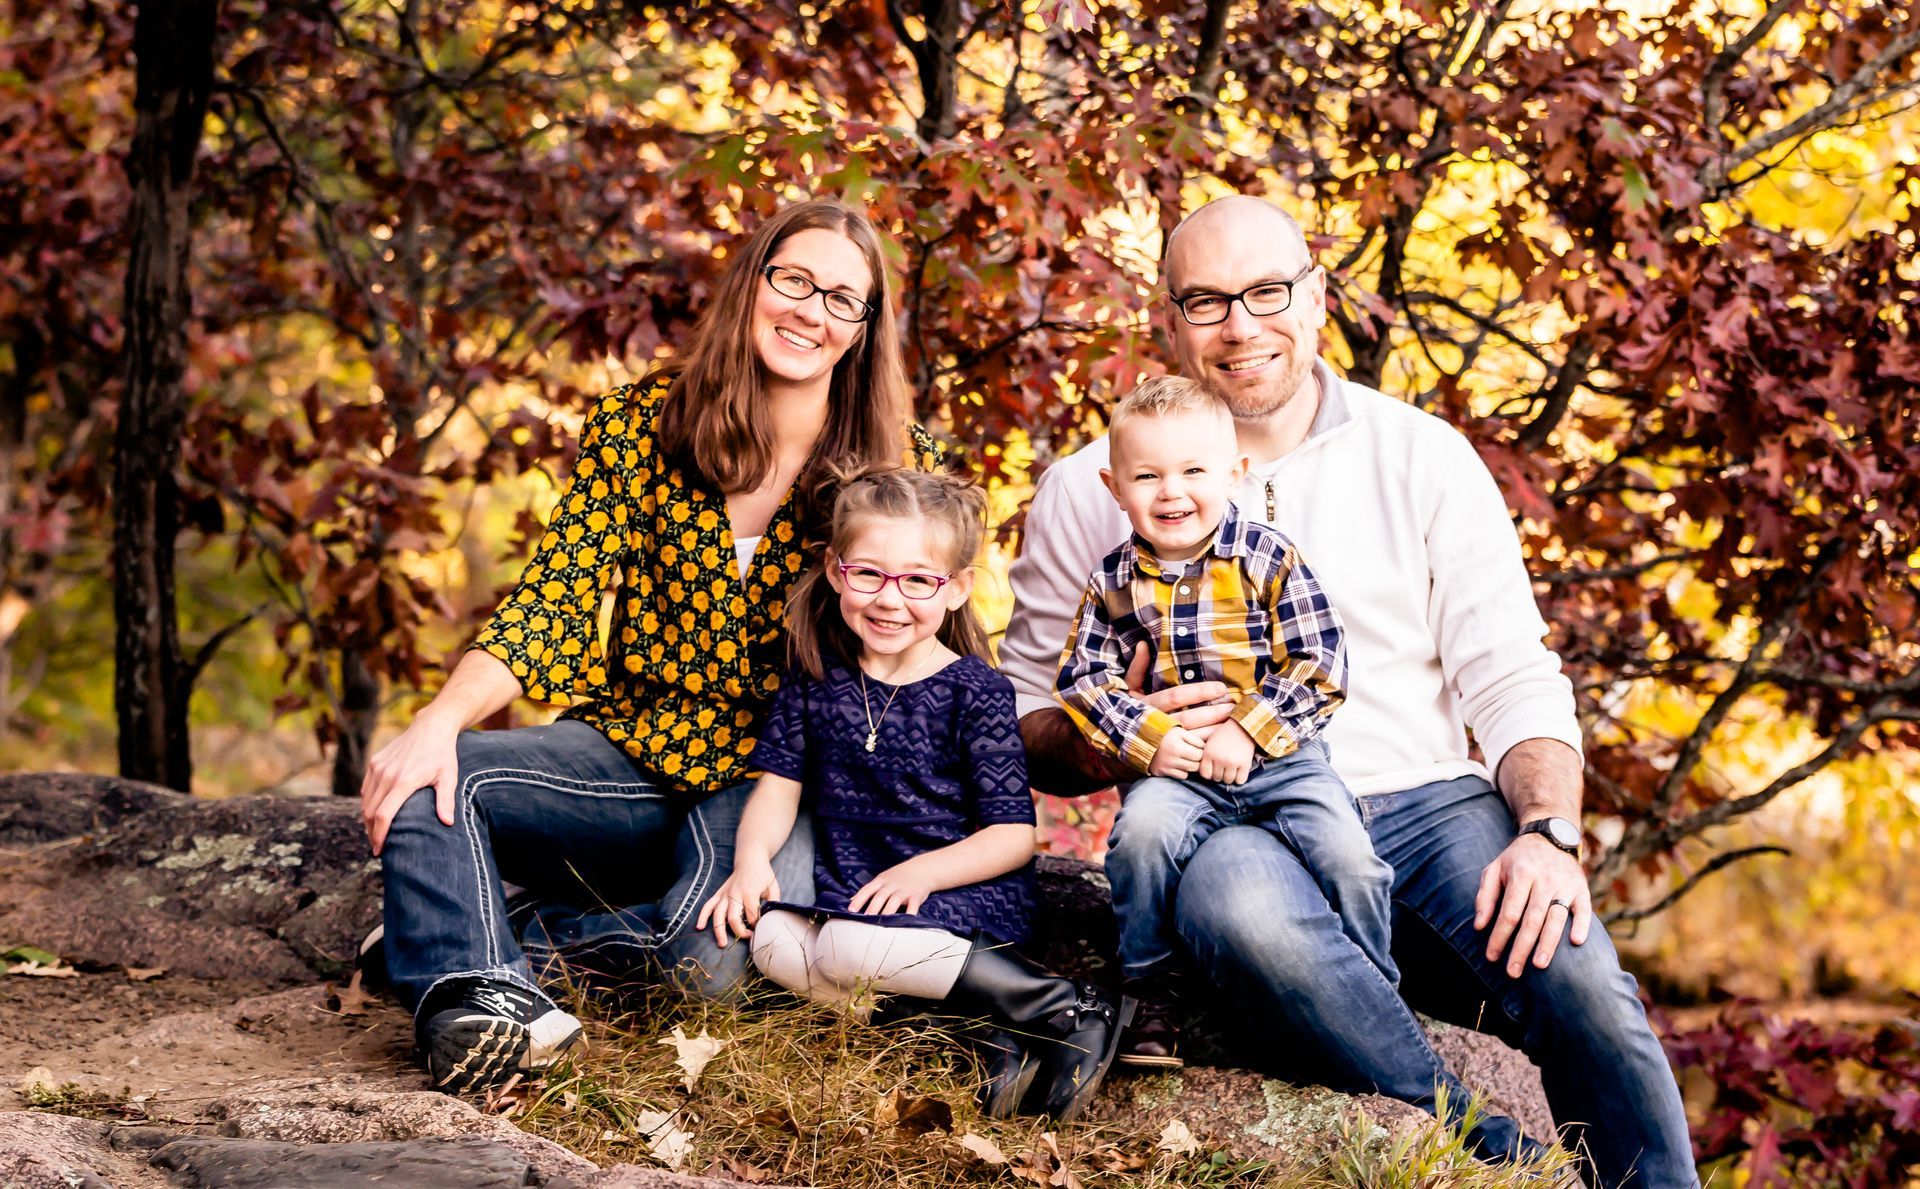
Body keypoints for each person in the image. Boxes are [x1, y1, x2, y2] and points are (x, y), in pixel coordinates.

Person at [1000, 196, 1696, 1187]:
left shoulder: (1420, 454)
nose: (1241, 325)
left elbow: (1510, 671)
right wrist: (1121, 737)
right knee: (1247, 911)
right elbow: (1030, 715)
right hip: (1221, 817)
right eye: (1205, 302)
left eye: (1268, 292)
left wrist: (1548, 833)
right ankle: (1507, 1157)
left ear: (1317, 297)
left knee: (1577, 970)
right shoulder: (1093, 488)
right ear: (1166, 320)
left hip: (1424, 802)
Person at [356, 199, 942, 1094]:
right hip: (629, 753)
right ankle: (478, 994)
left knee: (703, 968)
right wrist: (438, 718)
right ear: (753, 284)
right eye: (792, 281)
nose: (810, 311)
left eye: (841, 299)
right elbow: (553, 600)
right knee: (431, 775)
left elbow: (939, 650)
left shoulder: (897, 464)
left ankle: (447, 936)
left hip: (771, 783)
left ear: (864, 329)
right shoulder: (642, 426)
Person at [695, 467, 1127, 1122]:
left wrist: (920, 873)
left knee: (843, 947)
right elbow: (777, 790)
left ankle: (1066, 1005)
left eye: (918, 580)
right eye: (867, 573)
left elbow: (1013, 836)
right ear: (837, 572)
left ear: (955, 589)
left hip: (960, 892)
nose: (888, 599)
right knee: (774, 939)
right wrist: (752, 862)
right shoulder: (815, 678)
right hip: (863, 893)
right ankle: (983, 1035)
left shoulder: (974, 691)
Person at [1054, 375, 1395, 1071]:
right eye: (1146, 475)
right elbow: (1083, 680)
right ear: (1114, 486)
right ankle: (1153, 994)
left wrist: (1248, 730)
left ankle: (1373, 991)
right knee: (1141, 838)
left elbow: (1322, 660)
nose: (1171, 491)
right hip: (1179, 761)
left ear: (1236, 473)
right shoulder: (1114, 580)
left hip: (1281, 756)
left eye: (1193, 470)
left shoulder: (1269, 557)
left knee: (1349, 855)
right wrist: (1153, 740)